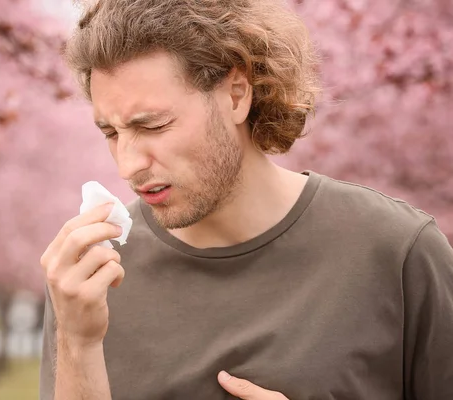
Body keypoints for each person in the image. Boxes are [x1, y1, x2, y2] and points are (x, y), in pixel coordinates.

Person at [39, 0, 453, 399]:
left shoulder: (399, 251)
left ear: (236, 94)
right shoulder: (89, 278)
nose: (128, 165)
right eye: (111, 133)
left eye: (153, 126)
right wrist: (79, 344)